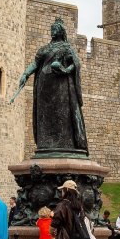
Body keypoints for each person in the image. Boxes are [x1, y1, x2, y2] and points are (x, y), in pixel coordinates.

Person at [15, 18, 88, 156]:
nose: (52, 32)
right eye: (51, 29)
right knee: (45, 115)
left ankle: (64, 144)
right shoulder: (45, 49)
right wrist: (25, 74)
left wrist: (65, 70)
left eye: (54, 29)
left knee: (62, 114)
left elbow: (76, 64)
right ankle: (46, 143)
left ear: (60, 31)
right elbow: (35, 64)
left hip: (61, 87)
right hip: (44, 86)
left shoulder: (67, 48)